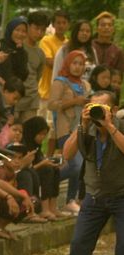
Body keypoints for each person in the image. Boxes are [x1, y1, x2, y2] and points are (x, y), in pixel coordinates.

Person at [54, 91, 124, 255]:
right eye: (94, 106)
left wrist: (110, 126)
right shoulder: (87, 128)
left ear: (113, 110)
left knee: (123, 252)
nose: (97, 111)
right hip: (93, 197)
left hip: (121, 195)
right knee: (79, 247)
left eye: (103, 107)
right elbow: (67, 153)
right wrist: (82, 124)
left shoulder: (120, 125)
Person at [49, 50, 91, 215]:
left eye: (81, 64)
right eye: (74, 63)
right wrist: (74, 101)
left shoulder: (85, 85)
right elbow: (51, 104)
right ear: (67, 63)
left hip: (82, 129)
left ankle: (69, 200)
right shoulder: (60, 82)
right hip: (65, 128)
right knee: (76, 165)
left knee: (80, 167)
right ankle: (50, 180)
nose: (77, 67)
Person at [21, 116, 64, 220]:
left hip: (35, 172)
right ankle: (44, 209)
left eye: (45, 134)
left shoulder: (36, 146)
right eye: (40, 134)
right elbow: (24, 168)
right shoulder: (24, 146)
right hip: (28, 175)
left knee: (55, 169)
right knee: (46, 170)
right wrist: (42, 164)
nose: (42, 137)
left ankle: (52, 207)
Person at [14, 11, 49, 122]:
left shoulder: (40, 53)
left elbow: (37, 77)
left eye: (43, 30)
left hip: (31, 100)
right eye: (36, 28)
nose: (39, 33)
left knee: (28, 135)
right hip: (14, 98)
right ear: (28, 26)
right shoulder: (16, 46)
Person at [39, 11, 69, 111]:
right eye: (58, 22)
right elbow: (49, 62)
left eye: (64, 23)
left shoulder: (69, 44)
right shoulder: (46, 40)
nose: (61, 25)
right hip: (46, 93)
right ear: (53, 24)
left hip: (63, 95)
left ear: (68, 25)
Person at [0, 16, 29, 85]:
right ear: (10, 30)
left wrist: (20, 52)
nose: (20, 34)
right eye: (17, 30)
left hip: (14, 91)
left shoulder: (23, 52)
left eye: (24, 31)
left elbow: (23, 76)